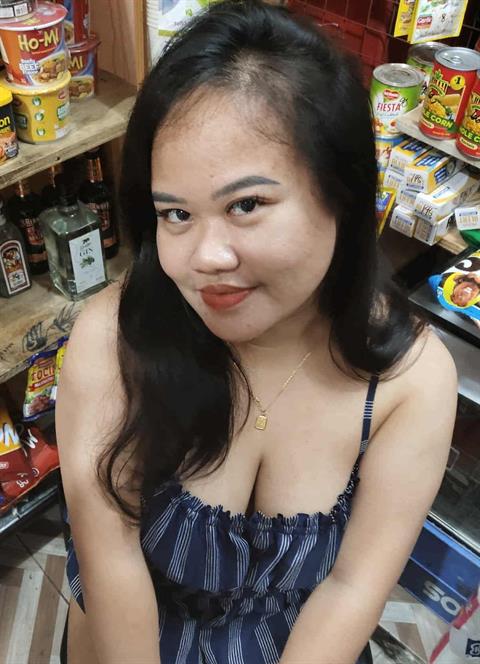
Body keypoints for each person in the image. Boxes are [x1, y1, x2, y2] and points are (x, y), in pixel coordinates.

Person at [57, 1, 458, 662]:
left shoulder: (409, 382)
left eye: (246, 204)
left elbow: (352, 587)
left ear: (343, 193)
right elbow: (111, 555)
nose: (205, 258)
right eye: (176, 214)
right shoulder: (114, 337)